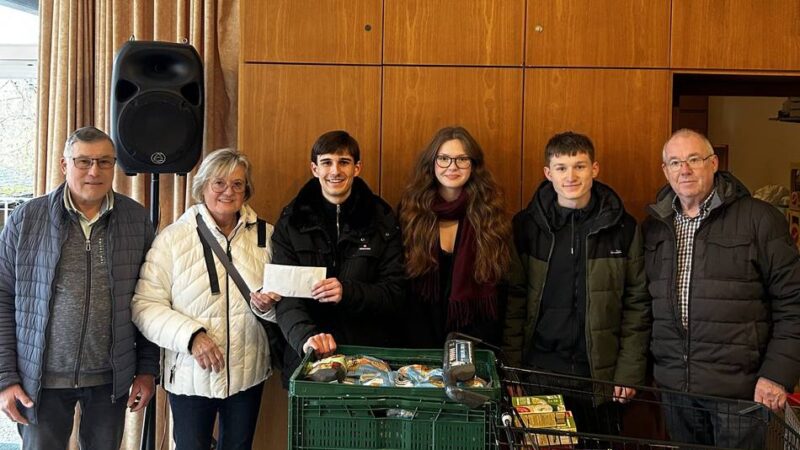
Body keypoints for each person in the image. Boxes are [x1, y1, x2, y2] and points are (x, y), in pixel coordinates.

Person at [0, 126, 159, 450]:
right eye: (83, 161)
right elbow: (2, 297)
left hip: (110, 379)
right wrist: (5, 378)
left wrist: (147, 369)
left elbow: (149, 299)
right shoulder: (26, 218)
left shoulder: (136, 219)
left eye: (104, 162)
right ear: (64, 165)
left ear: (113, 165)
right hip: (39, 380)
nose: (94, 171)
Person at [643, 129, 800, 448]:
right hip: (676, 391)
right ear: (665, 170)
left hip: (740, 392)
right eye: (675, 162)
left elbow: (793, 301)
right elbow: (643, 306)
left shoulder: (760, 219)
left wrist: (777, 374)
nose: (685, 169)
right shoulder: (654, 228)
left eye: (694, 159)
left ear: (714, 163)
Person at [131, 148, 280, 450]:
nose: (228, 191)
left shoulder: (267, 237)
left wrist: (269, 308)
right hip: (190, 376)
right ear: (202, 187)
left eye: (237, 184)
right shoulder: (173, 239)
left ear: (246, 190)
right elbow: (144, 306)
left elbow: (285, 305)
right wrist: (192, 337)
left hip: (247, 374)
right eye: (219, 183)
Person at [504, 131, 650, 434]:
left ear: (594, 169)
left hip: (600, 379)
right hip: (539, 375)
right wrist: (512, 369)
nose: (571, 176)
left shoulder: (623, 227)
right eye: (561, 168)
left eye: (579, 166)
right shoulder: (526, 227)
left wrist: (629, 372)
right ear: (548, 173)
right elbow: (514, 302)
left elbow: (637, 304)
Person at [273, 130, 405, 378]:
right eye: (326, 162)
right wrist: (307, 338)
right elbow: (284, 297)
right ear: (314, 169)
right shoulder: (291, 221)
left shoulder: (382, 219)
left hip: (368, 360)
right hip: (309, 359)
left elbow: (395, 293)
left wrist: (348, 291)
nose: (335, 171)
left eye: (344, 162)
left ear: (357, 168)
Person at [398, 126, 512, 348]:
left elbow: (504, 287)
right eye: (444, 159)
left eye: (462, 159)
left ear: (474, 165)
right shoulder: (411, 212)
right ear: (431, 163)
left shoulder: (491, 214)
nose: (452, 166)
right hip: (419, 336)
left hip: (477, 338)